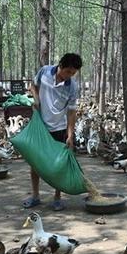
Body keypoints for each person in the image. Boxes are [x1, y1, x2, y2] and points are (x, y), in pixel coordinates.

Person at [22, 53, 82, 211]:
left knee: (59, 165)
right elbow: (33, 86)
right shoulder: (44, 72)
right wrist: (36, 99)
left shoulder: (72, 87)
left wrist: (70, 134)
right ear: (60, 66)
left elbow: (71, 113)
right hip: (40, 125)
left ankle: (57, 198)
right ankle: (35, 195)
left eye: (74, 73)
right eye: (68, 71)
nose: (70, 75)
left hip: (59, 128)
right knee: (35, 162)